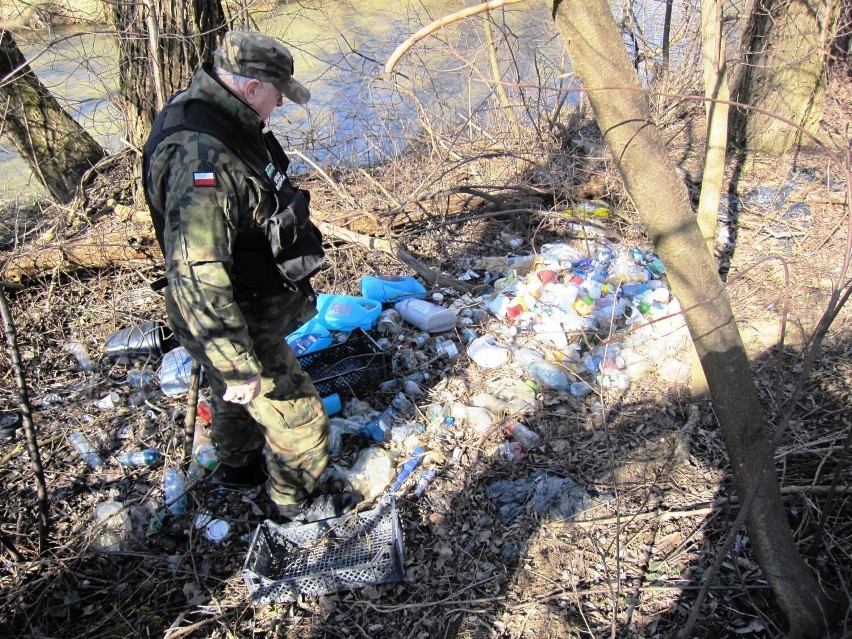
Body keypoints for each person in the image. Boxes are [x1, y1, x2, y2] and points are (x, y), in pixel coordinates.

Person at [143, 30, 355, 521]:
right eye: (278, 96)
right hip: (232, 315)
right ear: (254, 86)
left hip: (242, 306)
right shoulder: (201, 156)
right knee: (300, 421)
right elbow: (197, 271)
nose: (279, 105)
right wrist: (235, 359)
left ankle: (238, 468)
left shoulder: (217, 113)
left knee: (232, 394)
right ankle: (295, 504)